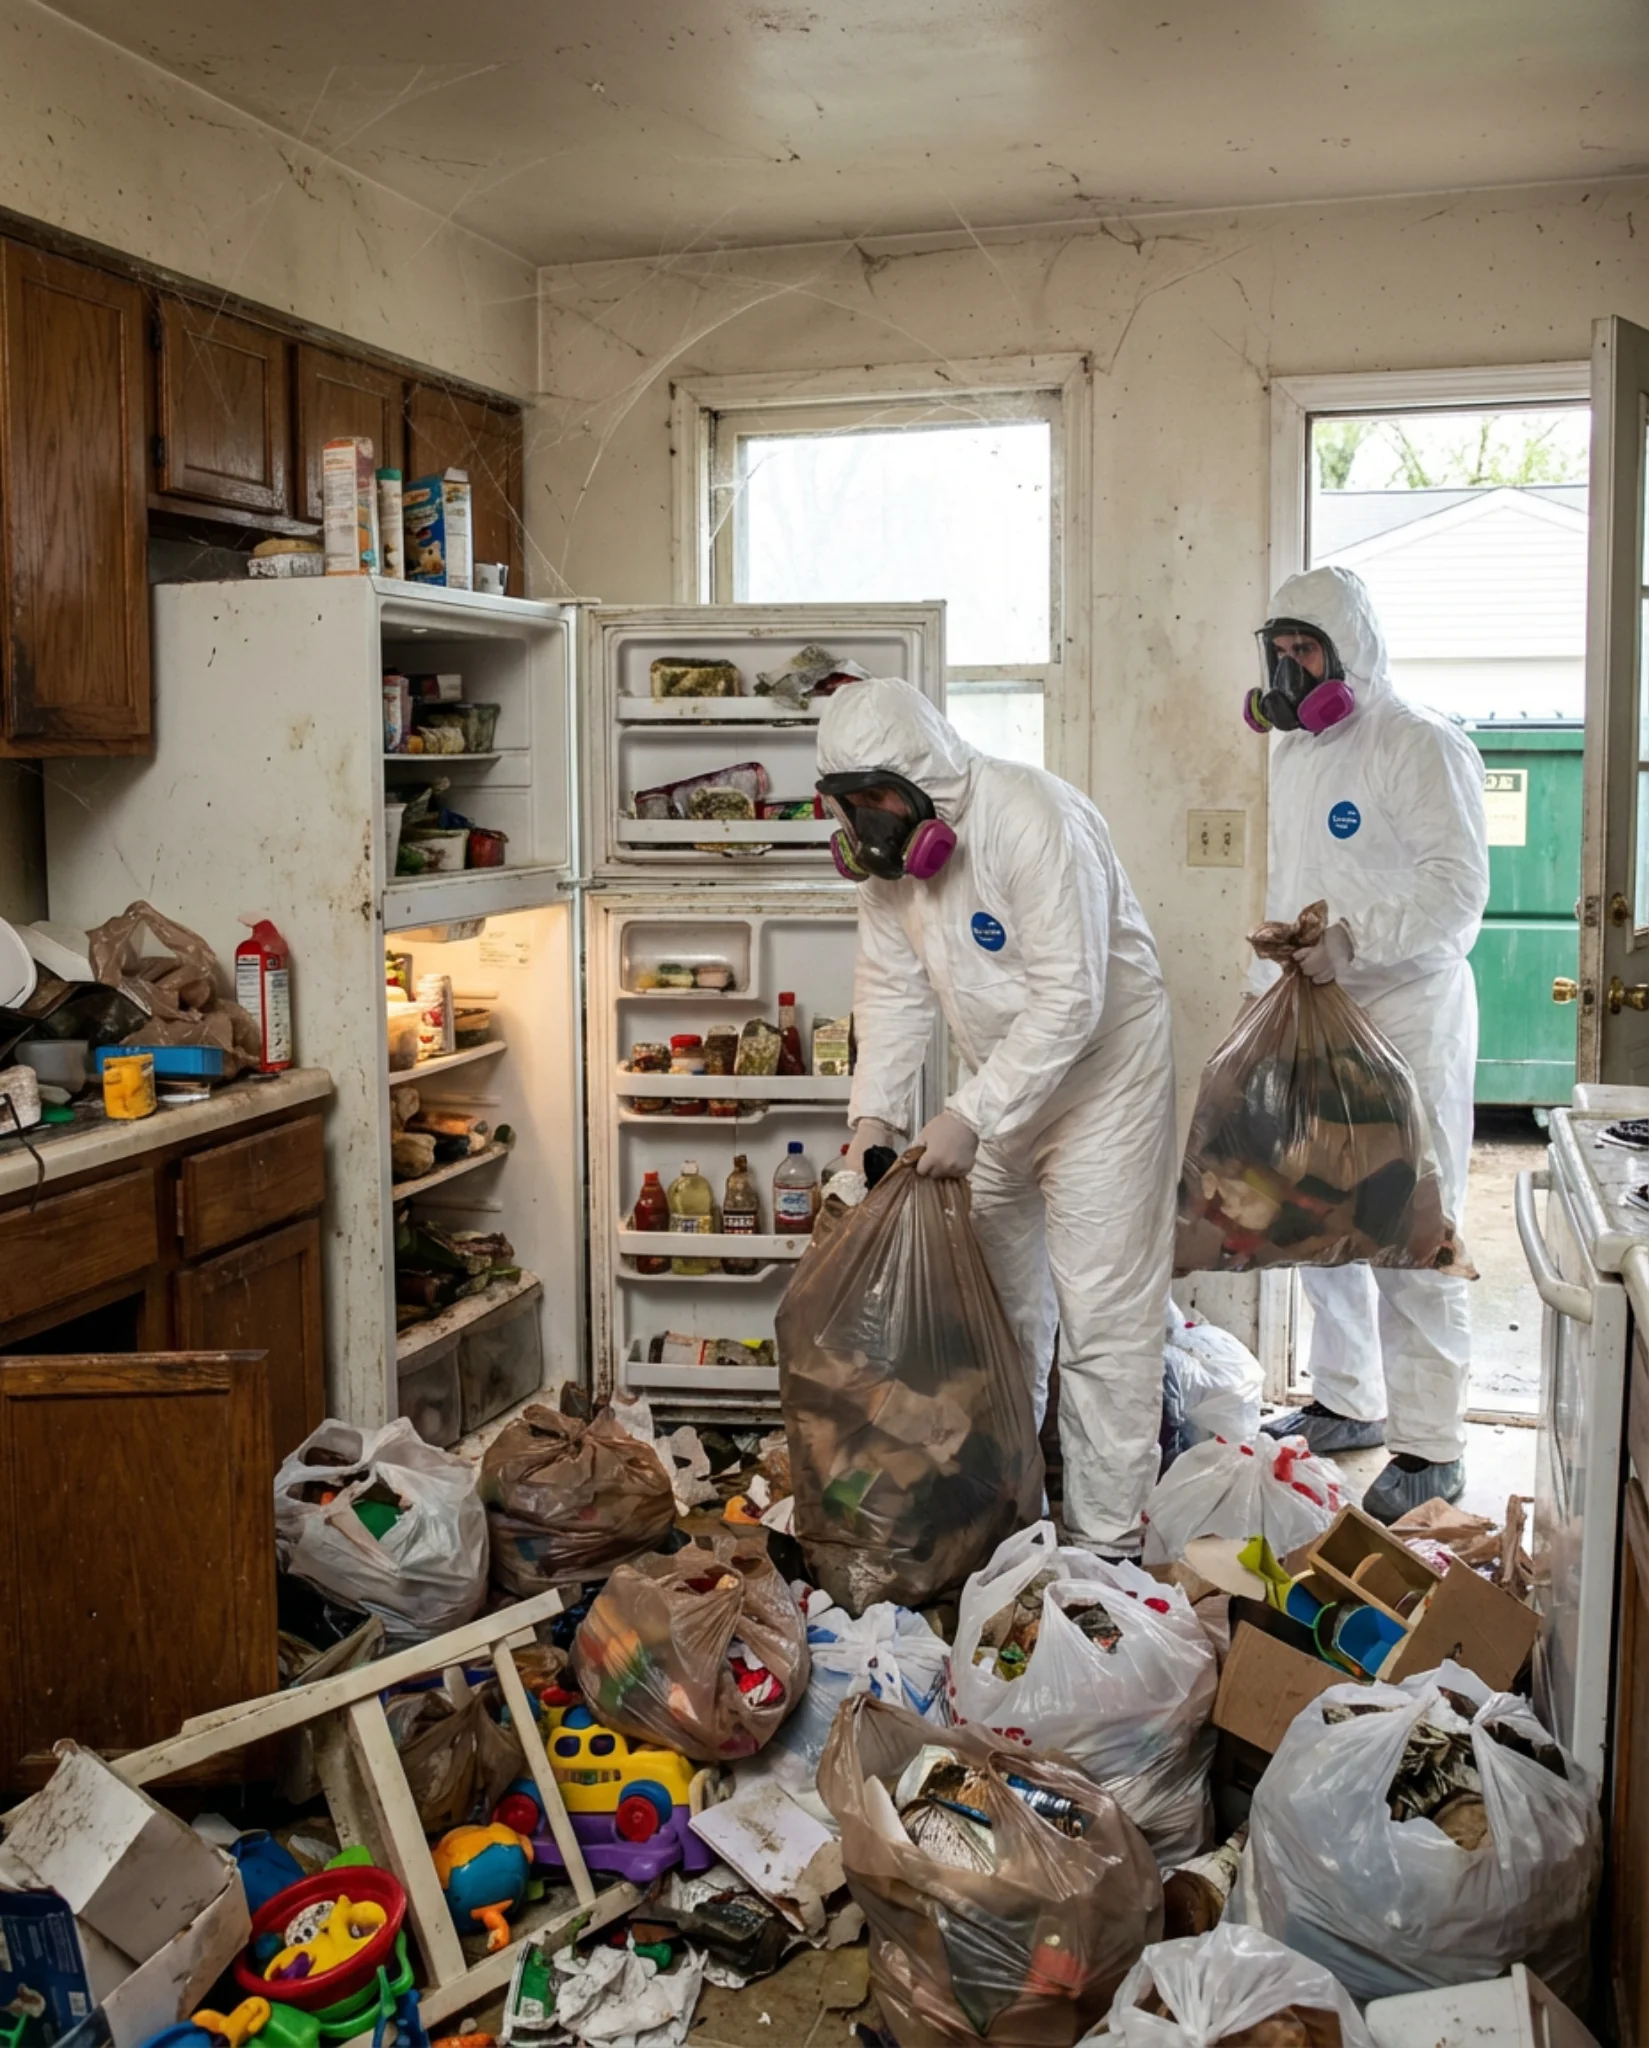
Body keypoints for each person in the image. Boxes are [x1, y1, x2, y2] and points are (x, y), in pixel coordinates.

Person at [815, 675, 1177, 1557]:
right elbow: (893, 995)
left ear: (925, 783)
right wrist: (876, 1123)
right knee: (996, 1314)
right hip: (1000, 1088)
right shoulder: (888, 870)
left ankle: (1104, 1548)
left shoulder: (1031, 818)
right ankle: (1006, 1514)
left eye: (877, 801)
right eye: (847, 806)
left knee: (1102, 1317)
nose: (867, 826)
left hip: (1102, 1085)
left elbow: (1071, 997)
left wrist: (971, 1113)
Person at [1247, 565, 1489, 1523]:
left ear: (1350, 651)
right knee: (1318, 1215)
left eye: (1306, 650)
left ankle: (1432, 1446)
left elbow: (1456, 888)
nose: (1291, 668)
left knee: (1410, 1224)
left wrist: (1357, 938)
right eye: (1278, 652)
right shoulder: (1295, 753)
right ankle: (1348, 1398)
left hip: (1403, 1015)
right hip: (1312, 1010)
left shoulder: (1417, 743)